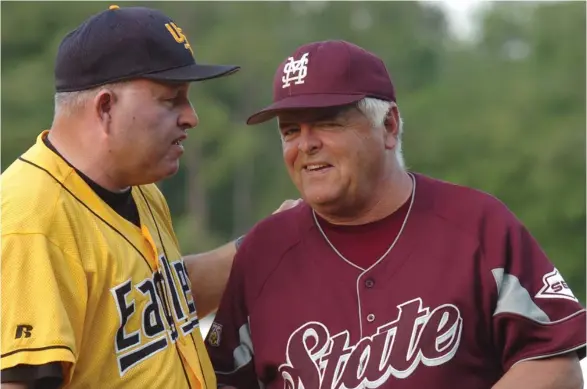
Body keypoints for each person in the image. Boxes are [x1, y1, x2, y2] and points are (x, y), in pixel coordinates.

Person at [204, 40, 587, 389]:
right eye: (290, 131)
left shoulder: (477, 225)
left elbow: (555, 365)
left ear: (389, 125)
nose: (306, 144)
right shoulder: (263, 254)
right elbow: (221, 381)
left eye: (327, 123)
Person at [0, 5, 298, 389]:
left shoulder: (140, 188)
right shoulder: (30, 222)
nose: (191, 116)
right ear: (106, 108)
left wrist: (266, 243)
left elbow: (159, 299)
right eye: (172, 98)